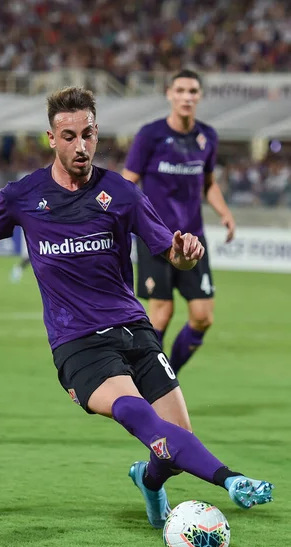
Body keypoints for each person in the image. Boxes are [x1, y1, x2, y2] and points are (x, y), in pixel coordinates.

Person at [0, 87, 273, 528]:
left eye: (87, 134)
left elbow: (168, 250)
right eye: (68, 136)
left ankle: (150, 481)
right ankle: (232, 480)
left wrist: (185, 255)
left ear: (96, 133)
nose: (80, 146)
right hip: (77, 341)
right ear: (51, 138)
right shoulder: (23, 195)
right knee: (137, 414)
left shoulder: (121, 192)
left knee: (177, 443)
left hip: (133, 328)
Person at [122, 69, 236, 375]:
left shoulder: (207, 137)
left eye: (193, 91)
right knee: (162, 314)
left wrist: (224, 213)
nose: (187, 97)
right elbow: (128, 181)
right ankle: (150, 380)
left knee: (203, 316)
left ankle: (167, 373)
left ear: (199, 96)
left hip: (193, 240)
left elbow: (208, 183)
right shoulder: (150, 135)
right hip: (156, 237)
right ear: (169, 94)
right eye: (181, 90)